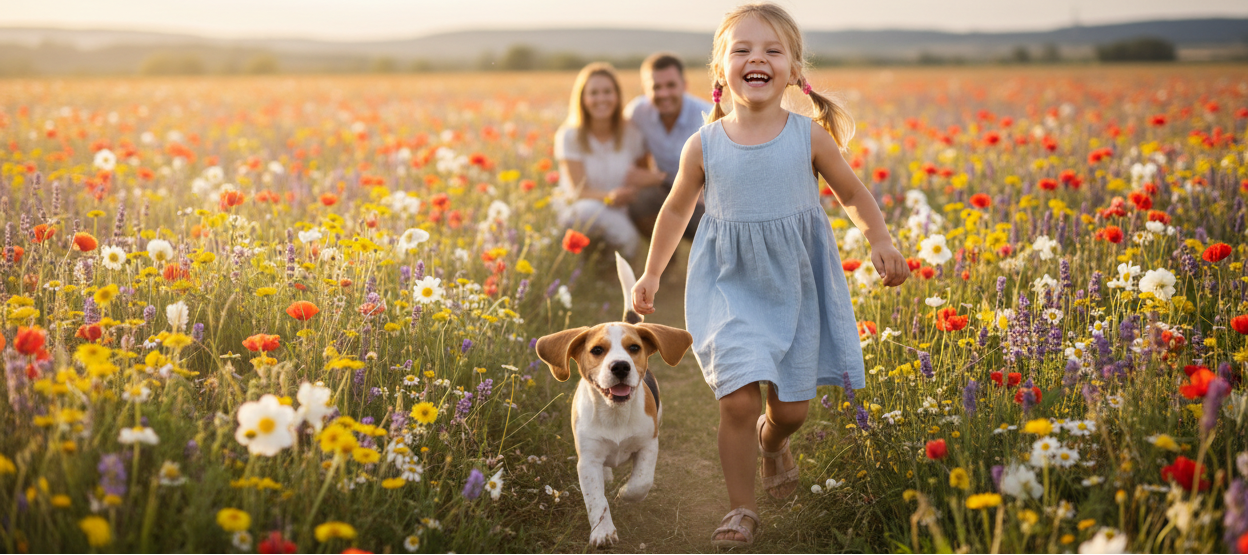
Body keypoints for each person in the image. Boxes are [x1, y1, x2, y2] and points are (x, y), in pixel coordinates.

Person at [629, 3, 908, 547]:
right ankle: (741, 510)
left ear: (795, 69)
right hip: (730, 286)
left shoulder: (808, 136)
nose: (757, 58)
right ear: (720, 71)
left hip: (795, 286)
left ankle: (773, 442)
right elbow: (676, 211)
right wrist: (652, 273)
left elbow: (852, 194)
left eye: (772, 50)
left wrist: (880, 239)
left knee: (792, 410)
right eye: (742, 49)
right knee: (736, 399)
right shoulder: (703, 145)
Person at [554, 62, 667, 258]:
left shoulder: (631, 132)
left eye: (607, 92)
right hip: (580, 208)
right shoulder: (570, 135)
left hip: (621, 209)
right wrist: (609, 196)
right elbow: (578, 191)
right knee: (587, 211)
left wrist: (649, 181)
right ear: (583, 98)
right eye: (594, 93)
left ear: (616, 96)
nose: (601, 99)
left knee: (630, 241)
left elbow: (640, 175)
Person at [624, 53, 711, 239]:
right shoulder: (637, 112)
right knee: (638, 201)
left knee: (713, 233)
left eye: (670, 85)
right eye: (656, 87)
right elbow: (633, 152)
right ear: (645, 89)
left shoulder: (707, 116)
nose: (663, 94)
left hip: (701, 197)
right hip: (663, 188)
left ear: (684, 85)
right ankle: (665, 261)